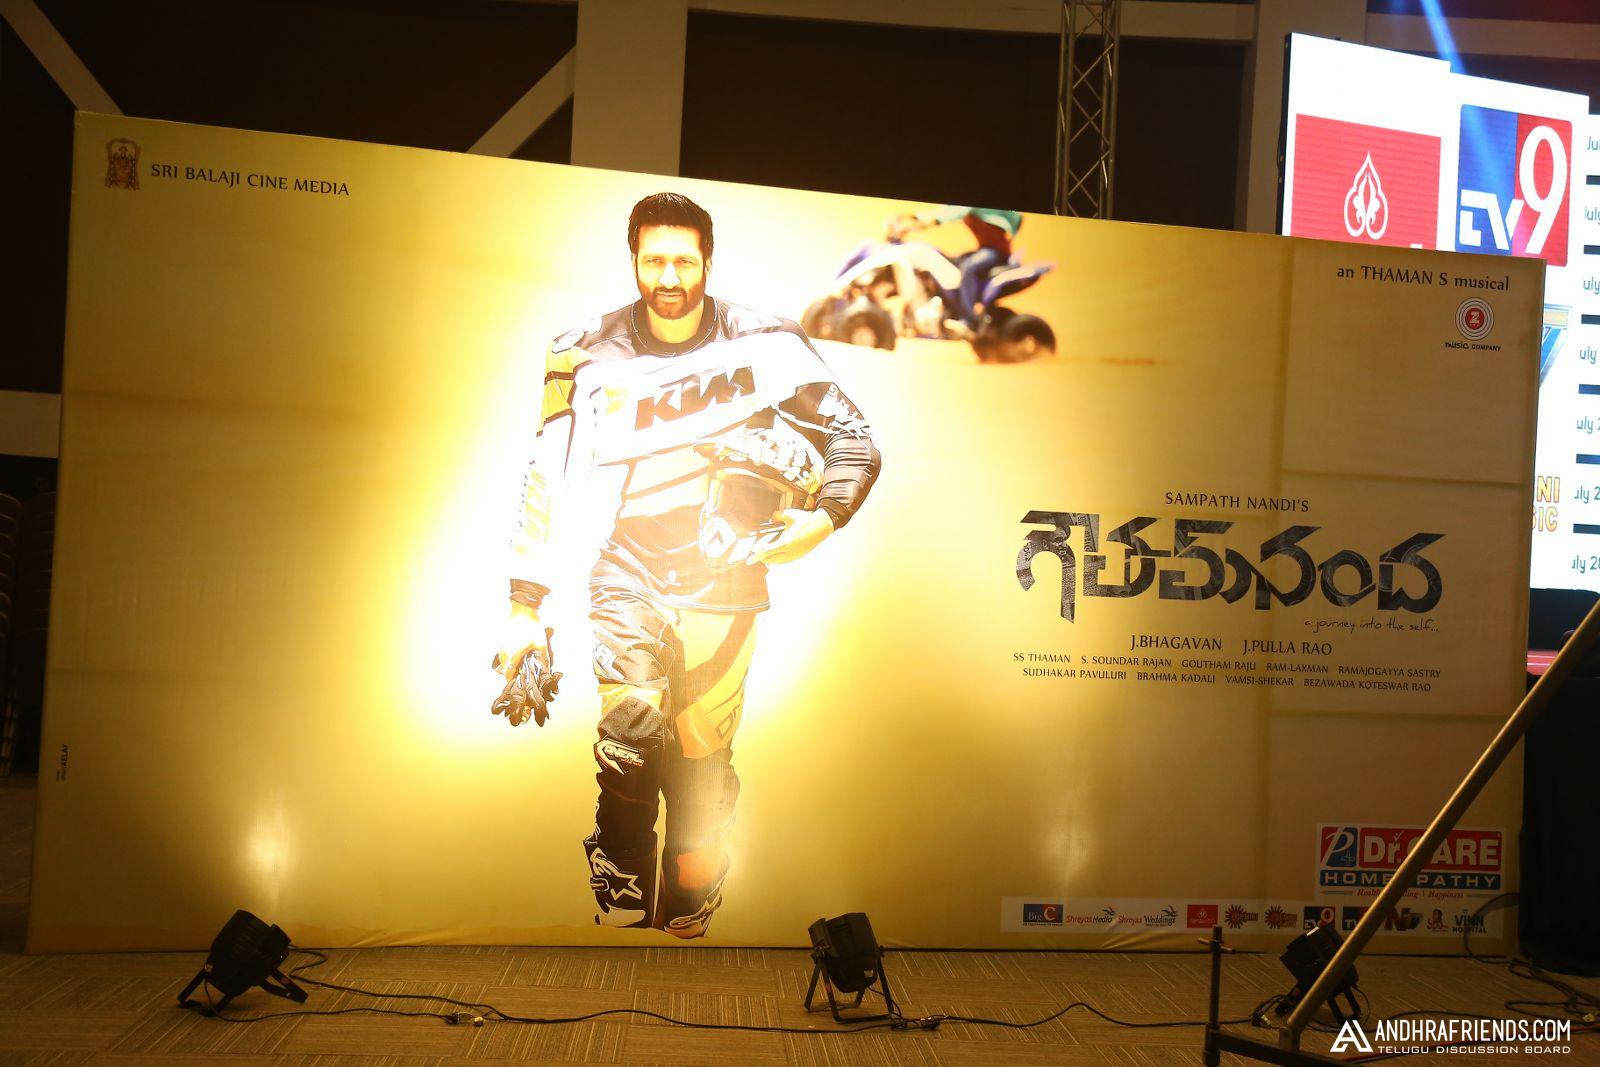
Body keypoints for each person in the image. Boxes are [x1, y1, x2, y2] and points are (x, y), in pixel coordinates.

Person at [489, 192, 881, 938]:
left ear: (708, 261)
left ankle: (691, 890)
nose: (668, 277)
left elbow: (855, 438)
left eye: (683, 260)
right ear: (633, 259)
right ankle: (622, 871)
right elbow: (547, 471)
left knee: (702, 768)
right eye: (653, 260)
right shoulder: (581, 350)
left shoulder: (767, 341)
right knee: (631, 738)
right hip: (626, 566)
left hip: (726, 578)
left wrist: (821, 521)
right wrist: (523, 605)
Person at [888, 205, 1025, 330]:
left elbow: (949, 213)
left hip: (995, 251)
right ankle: (950, 311)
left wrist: (915, 225)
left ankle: (969, 319)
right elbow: (945, 210)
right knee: (952, 261)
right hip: (986, 250)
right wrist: (910, 218)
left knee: (967, 268)